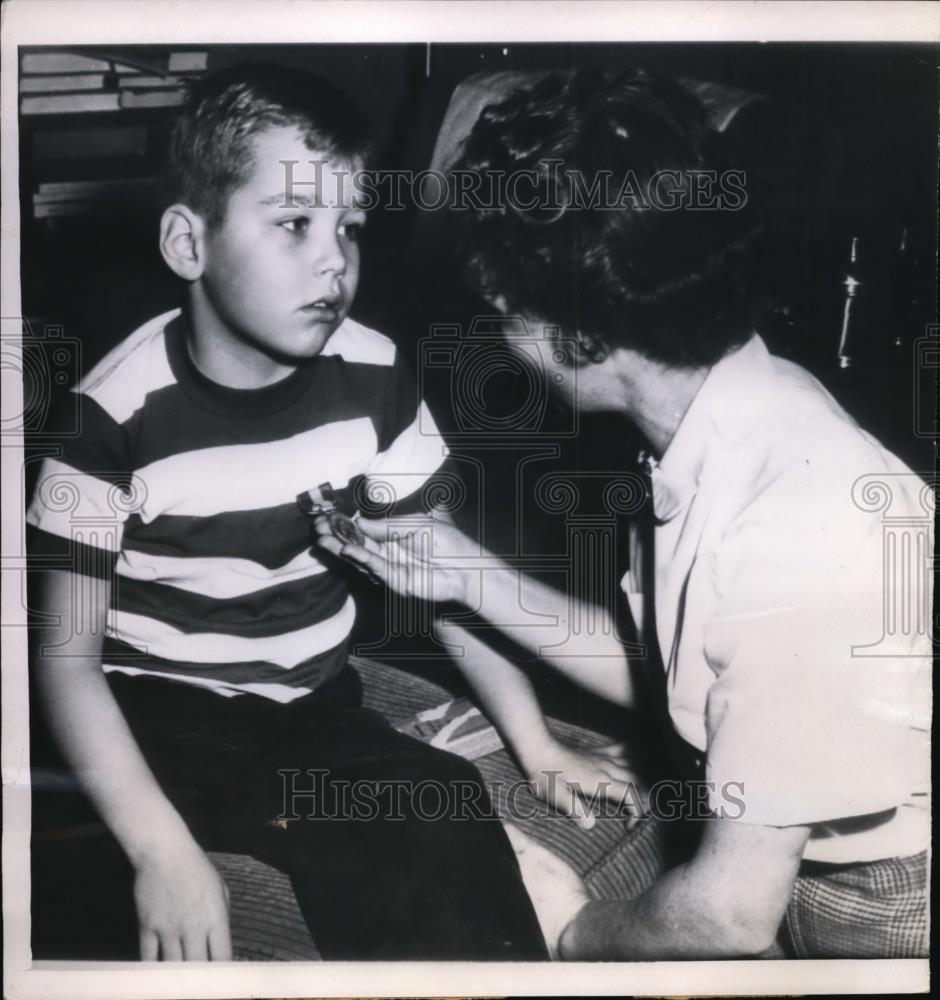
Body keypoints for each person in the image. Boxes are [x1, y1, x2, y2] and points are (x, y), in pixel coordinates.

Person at [315, 68, 931, 959]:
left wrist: (572, 932)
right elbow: (680, 677)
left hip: (882, 907)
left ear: (586, 337)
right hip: (802, 864)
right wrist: (463, 573)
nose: (497, 335)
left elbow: (728, 915)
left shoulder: (798, 528)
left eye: (506, 315)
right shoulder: (727, 410)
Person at [26, 63, 548, 962]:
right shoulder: (104, 420)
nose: (334, 261)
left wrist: (536, 743)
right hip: (156, 709)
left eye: (349, 227)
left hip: (312, 699)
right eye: (294, 225)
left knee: (441, 805)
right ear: (189, 245)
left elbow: (443, 572)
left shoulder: (377, 375)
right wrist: (161, 852)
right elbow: (63, 662)